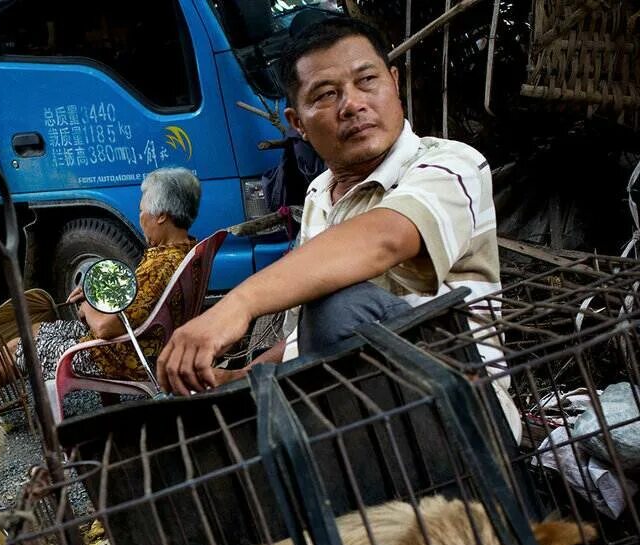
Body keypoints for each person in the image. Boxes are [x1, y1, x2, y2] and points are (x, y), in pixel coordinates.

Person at [158, 16, 504, 405]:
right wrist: (240, 376)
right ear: (297, 123)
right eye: (325, 94)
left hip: (466, 410)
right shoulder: (319, 196)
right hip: (359, 413)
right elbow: (303, 341)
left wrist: (238, 304)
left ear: (394, 82)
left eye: (367, 80)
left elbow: (386, 239)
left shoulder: (452, 164)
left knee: (339, 305)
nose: (353, 104)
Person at [0, 167, 201, 388]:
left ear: (161, 216)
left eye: (141, 212)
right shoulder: (184, 252)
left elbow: (105, 328)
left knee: (16, 348)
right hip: (135, 342)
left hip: (118, 356)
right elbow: (135, 304)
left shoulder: (160, 267)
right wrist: (95, 294)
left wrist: (87, 306)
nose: (140, 219)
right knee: (35, 330)